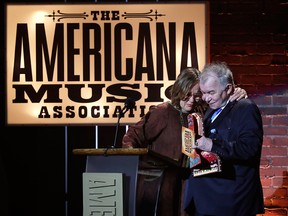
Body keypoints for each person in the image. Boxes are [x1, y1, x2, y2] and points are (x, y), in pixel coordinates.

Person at [122, 67, 248, 216]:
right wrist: (143, 166)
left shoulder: (201, 112)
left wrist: (239, 92)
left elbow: (223, 98)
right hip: (162, 185)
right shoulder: (162, 112)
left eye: (196, 96)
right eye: (186, 95)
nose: (191, 101)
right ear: (178, 91)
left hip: (190, 183)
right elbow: (132, 137)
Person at [184, 61, 264, 216]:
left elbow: (250, 149)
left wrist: (211, 145)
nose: (206, 98)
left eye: (211, 92)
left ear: (228, 89)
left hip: (231, 202)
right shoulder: (211, 111)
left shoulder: (245, 108)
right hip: (207, 201)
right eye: (203, 92)